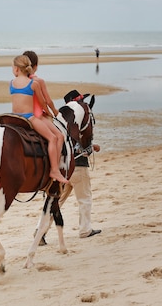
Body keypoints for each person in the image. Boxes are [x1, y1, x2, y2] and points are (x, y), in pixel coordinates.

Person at [10, 55, 68, 184]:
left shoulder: (11, 83)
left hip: (13, 117)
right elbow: (43, 103)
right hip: (28, 118)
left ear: (16, 69)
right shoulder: (33, 84)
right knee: (53, 138)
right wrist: (50, 114)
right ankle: (54, 169)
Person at [64, 89, 102, 238]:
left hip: (65, 166)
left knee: (56, 201)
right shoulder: (79, 122)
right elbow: (80, 147)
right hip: (79, 165)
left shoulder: (64, 120)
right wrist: (91, 148)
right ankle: (85, 230)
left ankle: (40, 231)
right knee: (85, 199)